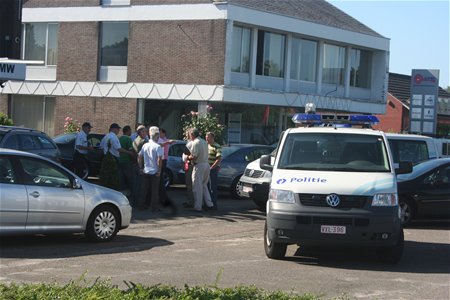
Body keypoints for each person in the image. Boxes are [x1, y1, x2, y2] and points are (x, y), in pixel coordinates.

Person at [99, 123, 134, 190]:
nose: (118, 131)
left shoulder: (106, 136)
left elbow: (101, 147)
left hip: (105, 158)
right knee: (113, 176)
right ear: (114, 129)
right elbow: (119, 149)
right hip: (113, 159)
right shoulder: (114, 137)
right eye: (118, 129)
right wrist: (129, 152)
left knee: (106, 176)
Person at [187, 128, 214, 212]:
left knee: (197, 187)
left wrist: (187, 157)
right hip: (206, 164)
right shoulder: (203, 142)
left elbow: (194, 156)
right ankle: (209, 204)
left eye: (189, 135)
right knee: (204, 185)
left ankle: (198, 206)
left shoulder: (195, 142)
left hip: (199, 165)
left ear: (192, 135)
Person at [138, 126, 163, 211]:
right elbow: (160, 159)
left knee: (144, 190)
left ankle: (141, 205)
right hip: (154, 171)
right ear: (157, 136)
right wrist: (159, 170)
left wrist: (141, 168)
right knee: (154, 191)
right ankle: (154, 207)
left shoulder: (145, 145)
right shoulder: (158, 146)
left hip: (146, 170)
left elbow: (139, 156)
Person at [118, 125, 135, 197]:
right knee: (129, 177)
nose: (131, 132)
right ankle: (130, 193)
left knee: (121, 176)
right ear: (128, 131)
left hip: (119, 160)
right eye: (130, 130)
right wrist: (133, 160)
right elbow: (131, 151)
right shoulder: (128, 139)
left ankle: (121, 191)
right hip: (126, 161)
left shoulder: (119, 138)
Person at [206, 132, 221, 209]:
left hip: (212, 169)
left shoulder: (217, 146)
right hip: (205, 168)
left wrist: (213, 167)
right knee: (206, 187)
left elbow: (219, 158)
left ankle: (214, 204)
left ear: (212, 138)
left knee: (213, 187)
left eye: (208, 137)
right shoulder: (206, 145)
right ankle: (208, 203)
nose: (206, 138)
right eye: (206, 137)